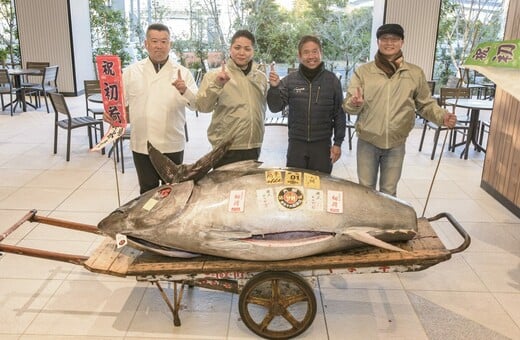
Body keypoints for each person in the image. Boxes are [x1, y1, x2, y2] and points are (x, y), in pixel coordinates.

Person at [343, 23, 457, 196]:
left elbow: (425, 104)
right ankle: (369, 223)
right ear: (378, 42)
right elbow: (349, 105)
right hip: (367, 140)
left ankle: (387, 223)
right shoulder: (364, 72)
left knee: (389, 191)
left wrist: (443, 116)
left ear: (402, 42)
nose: (389, 43)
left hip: (396, 142)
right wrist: (355, 103)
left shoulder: (414, 73)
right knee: (365, 190)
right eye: (384, 39)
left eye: (394, 39)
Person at [123, 23, 198, 194]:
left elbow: (196, 105)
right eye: (154, 41)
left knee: (172, 191)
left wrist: (184, 90)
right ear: (146, 44)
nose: (159, 46)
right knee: (147, 189)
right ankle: (147, 220)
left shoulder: (183, 72)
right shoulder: (131, 72)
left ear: (169, 44)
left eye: (164, 41)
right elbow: (121, 106)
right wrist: (112, 116)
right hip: (142, 144)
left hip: (171, 144)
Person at [267, 35, 345, 174]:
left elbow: (339, 114)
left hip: (322, 144)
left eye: (315, 51)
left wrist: (338, 143)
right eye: (306, 52)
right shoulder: (290, 80)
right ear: (299, 56)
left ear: (321, 53)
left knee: (320, 188)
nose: (311, 56)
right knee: (295, 189)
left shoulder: (332, 80)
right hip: (297, 144)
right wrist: (274, 88)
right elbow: (274, 108)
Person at [195, 29, 268, 168]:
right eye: (237, 47)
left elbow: (263, 107)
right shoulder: (214, 76)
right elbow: (202, 107)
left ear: (253, 51)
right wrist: (218, 84)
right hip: (225, 147)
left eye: (247, 48)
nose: (242, 53)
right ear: (230, 49)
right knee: (224, 188)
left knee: (248, 188)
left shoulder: (260, 77)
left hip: (253, 144)